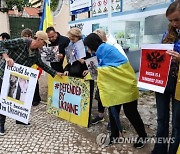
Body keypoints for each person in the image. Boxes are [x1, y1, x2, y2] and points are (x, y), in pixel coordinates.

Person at [84, 33, 147, 148]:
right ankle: (114, 136)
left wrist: (98, 70)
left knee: (131, 112)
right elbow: (104, 67)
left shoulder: (108, 49)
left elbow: (119, 68)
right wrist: (92, 70)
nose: (87, 50)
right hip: (115, 86)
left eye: (88, 46)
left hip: (126, 84)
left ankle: (142, 136)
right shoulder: (101, 50)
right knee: (113, 110)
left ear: (92, 45)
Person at [0, 31, 63, 135]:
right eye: (44, 42)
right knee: (4, 99)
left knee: (21, 99)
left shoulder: (36, 54)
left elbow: (43, 65)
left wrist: (55, 73)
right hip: (4, 74)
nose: (44, 45)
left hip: (19, 78)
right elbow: (1, 44)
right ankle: (1, 125)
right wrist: (7, 58)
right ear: (38, 39)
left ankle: (20, 119)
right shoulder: (22, 42)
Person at [152, 1, 180, 154]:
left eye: (177, 19)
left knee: (177, 123)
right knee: (161, 119)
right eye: (170, 20)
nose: (174, 24)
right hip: (163, 80)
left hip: (179, 84)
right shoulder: (167, 34)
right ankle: (159, 150)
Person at [64, 27, 94, 126]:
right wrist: (67, 70)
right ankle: (75, 116)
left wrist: (84, 63)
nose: (71, 41)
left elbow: (94, 65)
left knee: (85, 99)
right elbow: (69, 63)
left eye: (73, 39)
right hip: (74, 76)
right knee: (74, 98)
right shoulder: (71, 46)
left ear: (78, 37)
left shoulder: (88, 47)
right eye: (70, 39)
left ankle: (85, 119)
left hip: (84, 78)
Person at [21, 28, 41, 106]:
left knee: (34, 83)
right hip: (24, 66)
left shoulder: (34, 45)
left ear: (29, 36)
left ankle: (36, 99)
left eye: (25, 36)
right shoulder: (22, 43)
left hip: (32, 66)